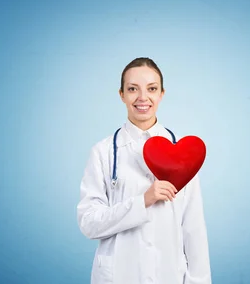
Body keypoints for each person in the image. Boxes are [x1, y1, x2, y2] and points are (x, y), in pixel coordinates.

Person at [76, 57, 212, 284]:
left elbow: (194, 230)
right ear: (121, 95)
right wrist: (142, 201)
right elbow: (89, 223)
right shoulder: (103, 152)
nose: (142, 97)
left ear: (162, 94)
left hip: (169, 275)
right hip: (118, 275)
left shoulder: (186, 157)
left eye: (151, 89)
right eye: (132, 89)